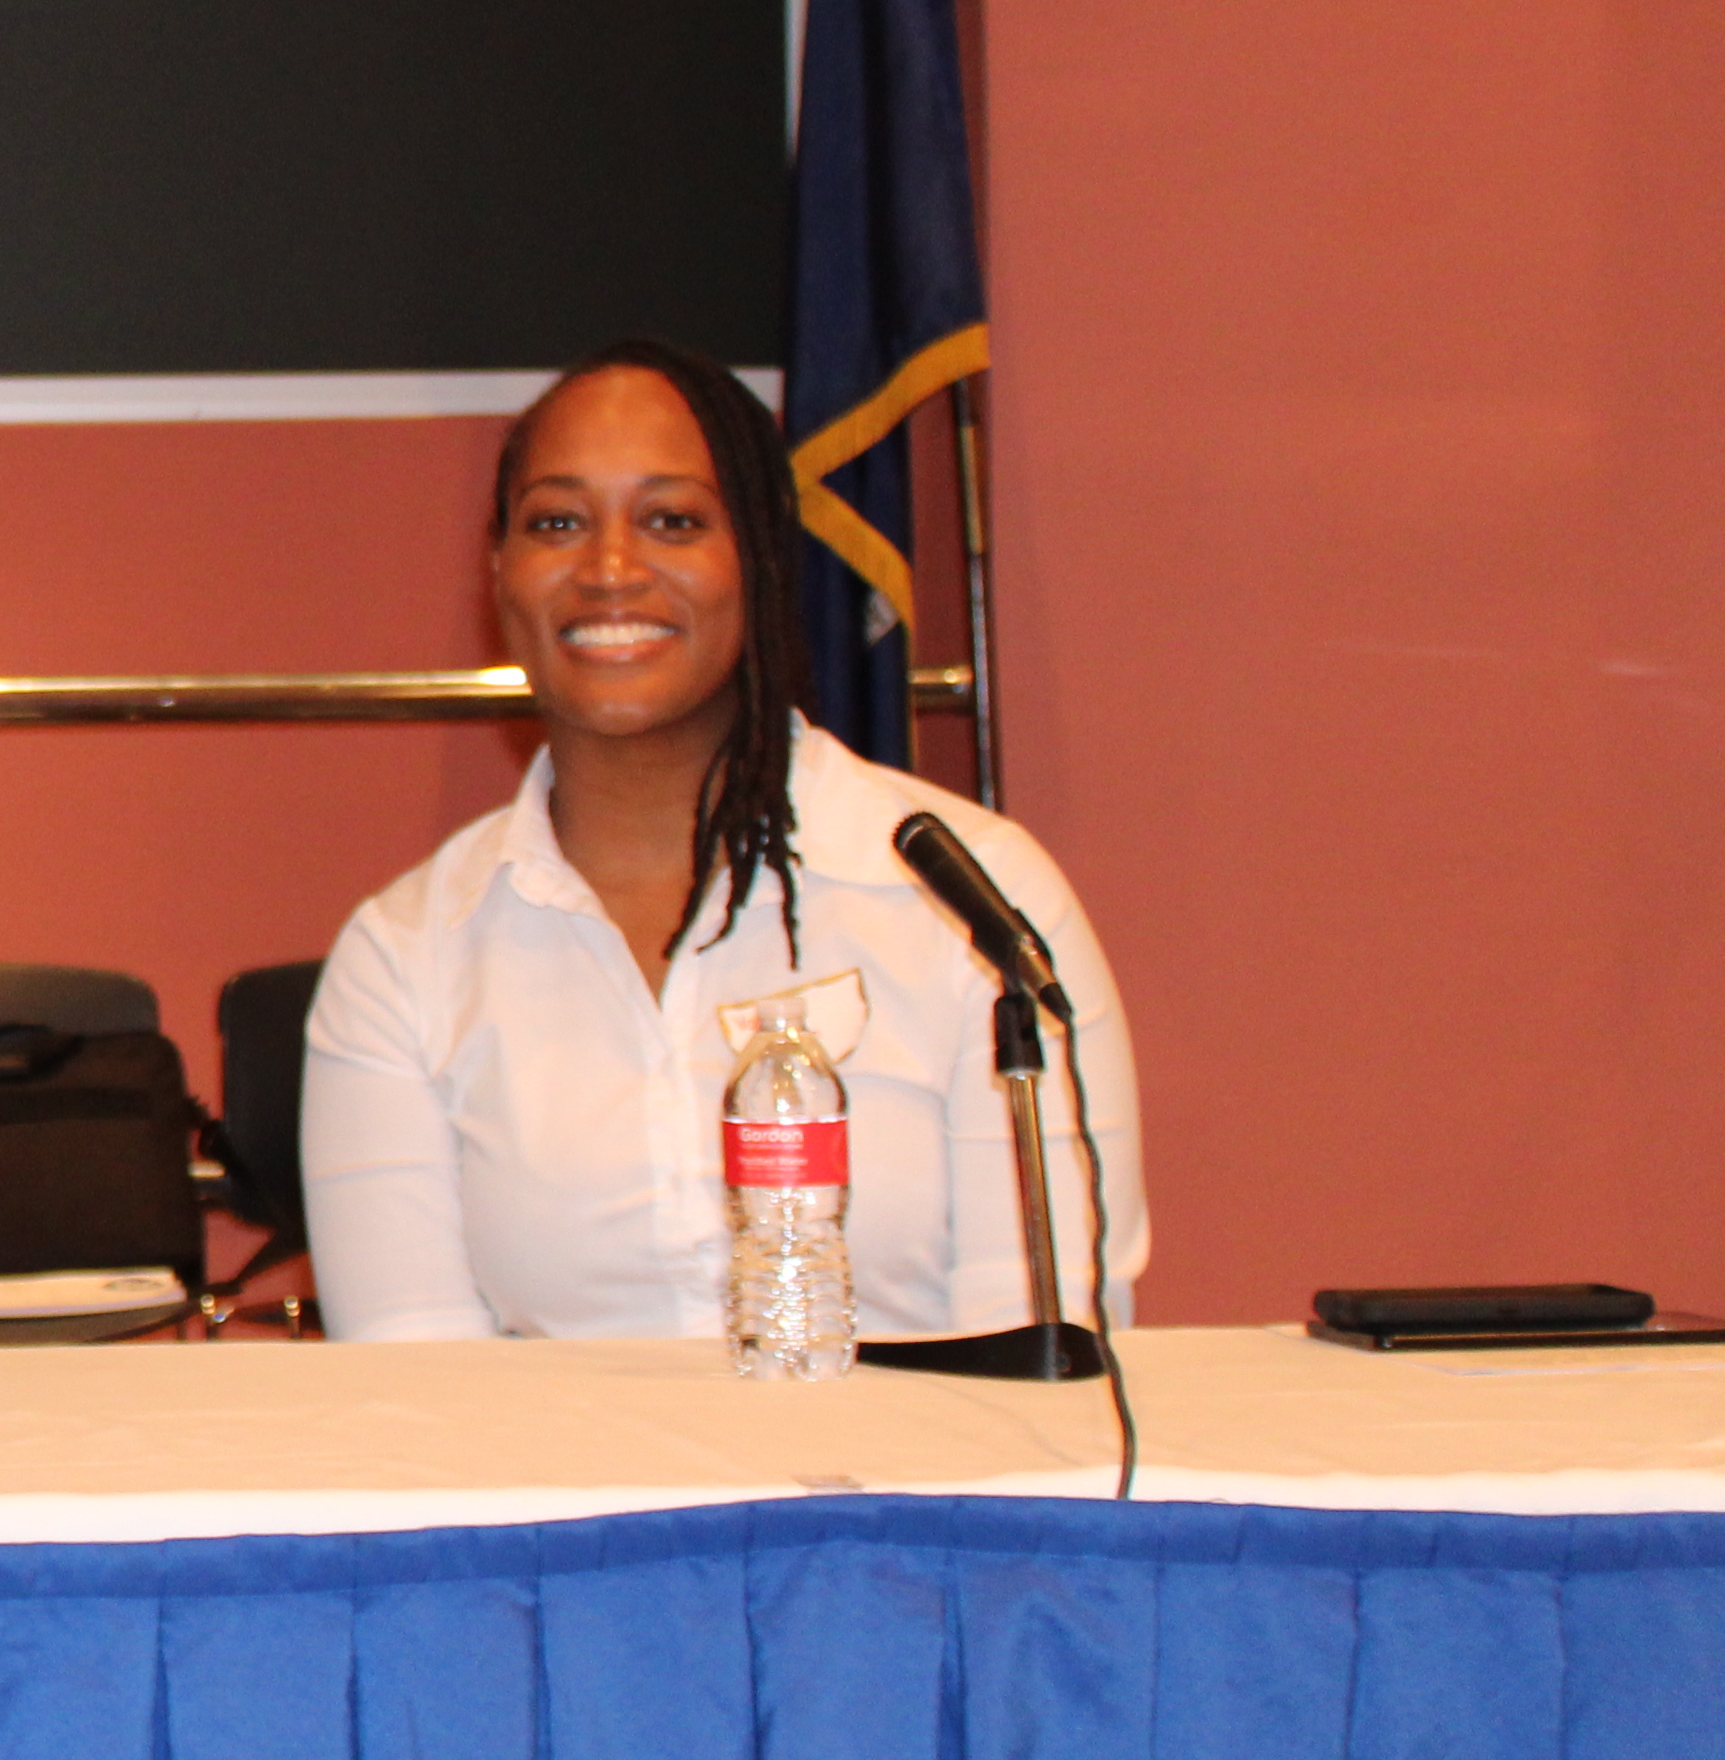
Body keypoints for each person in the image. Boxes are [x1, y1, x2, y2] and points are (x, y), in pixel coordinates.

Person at [300, 340, 1146, 1342]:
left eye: (674, 520)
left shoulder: (978, 903)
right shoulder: (404, 959)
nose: (610, 569)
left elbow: (1044, 1356)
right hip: (566, 1496)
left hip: (918, 1495)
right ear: (500, 574)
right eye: (558, 522)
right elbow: (420, 1404)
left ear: (760, 554)